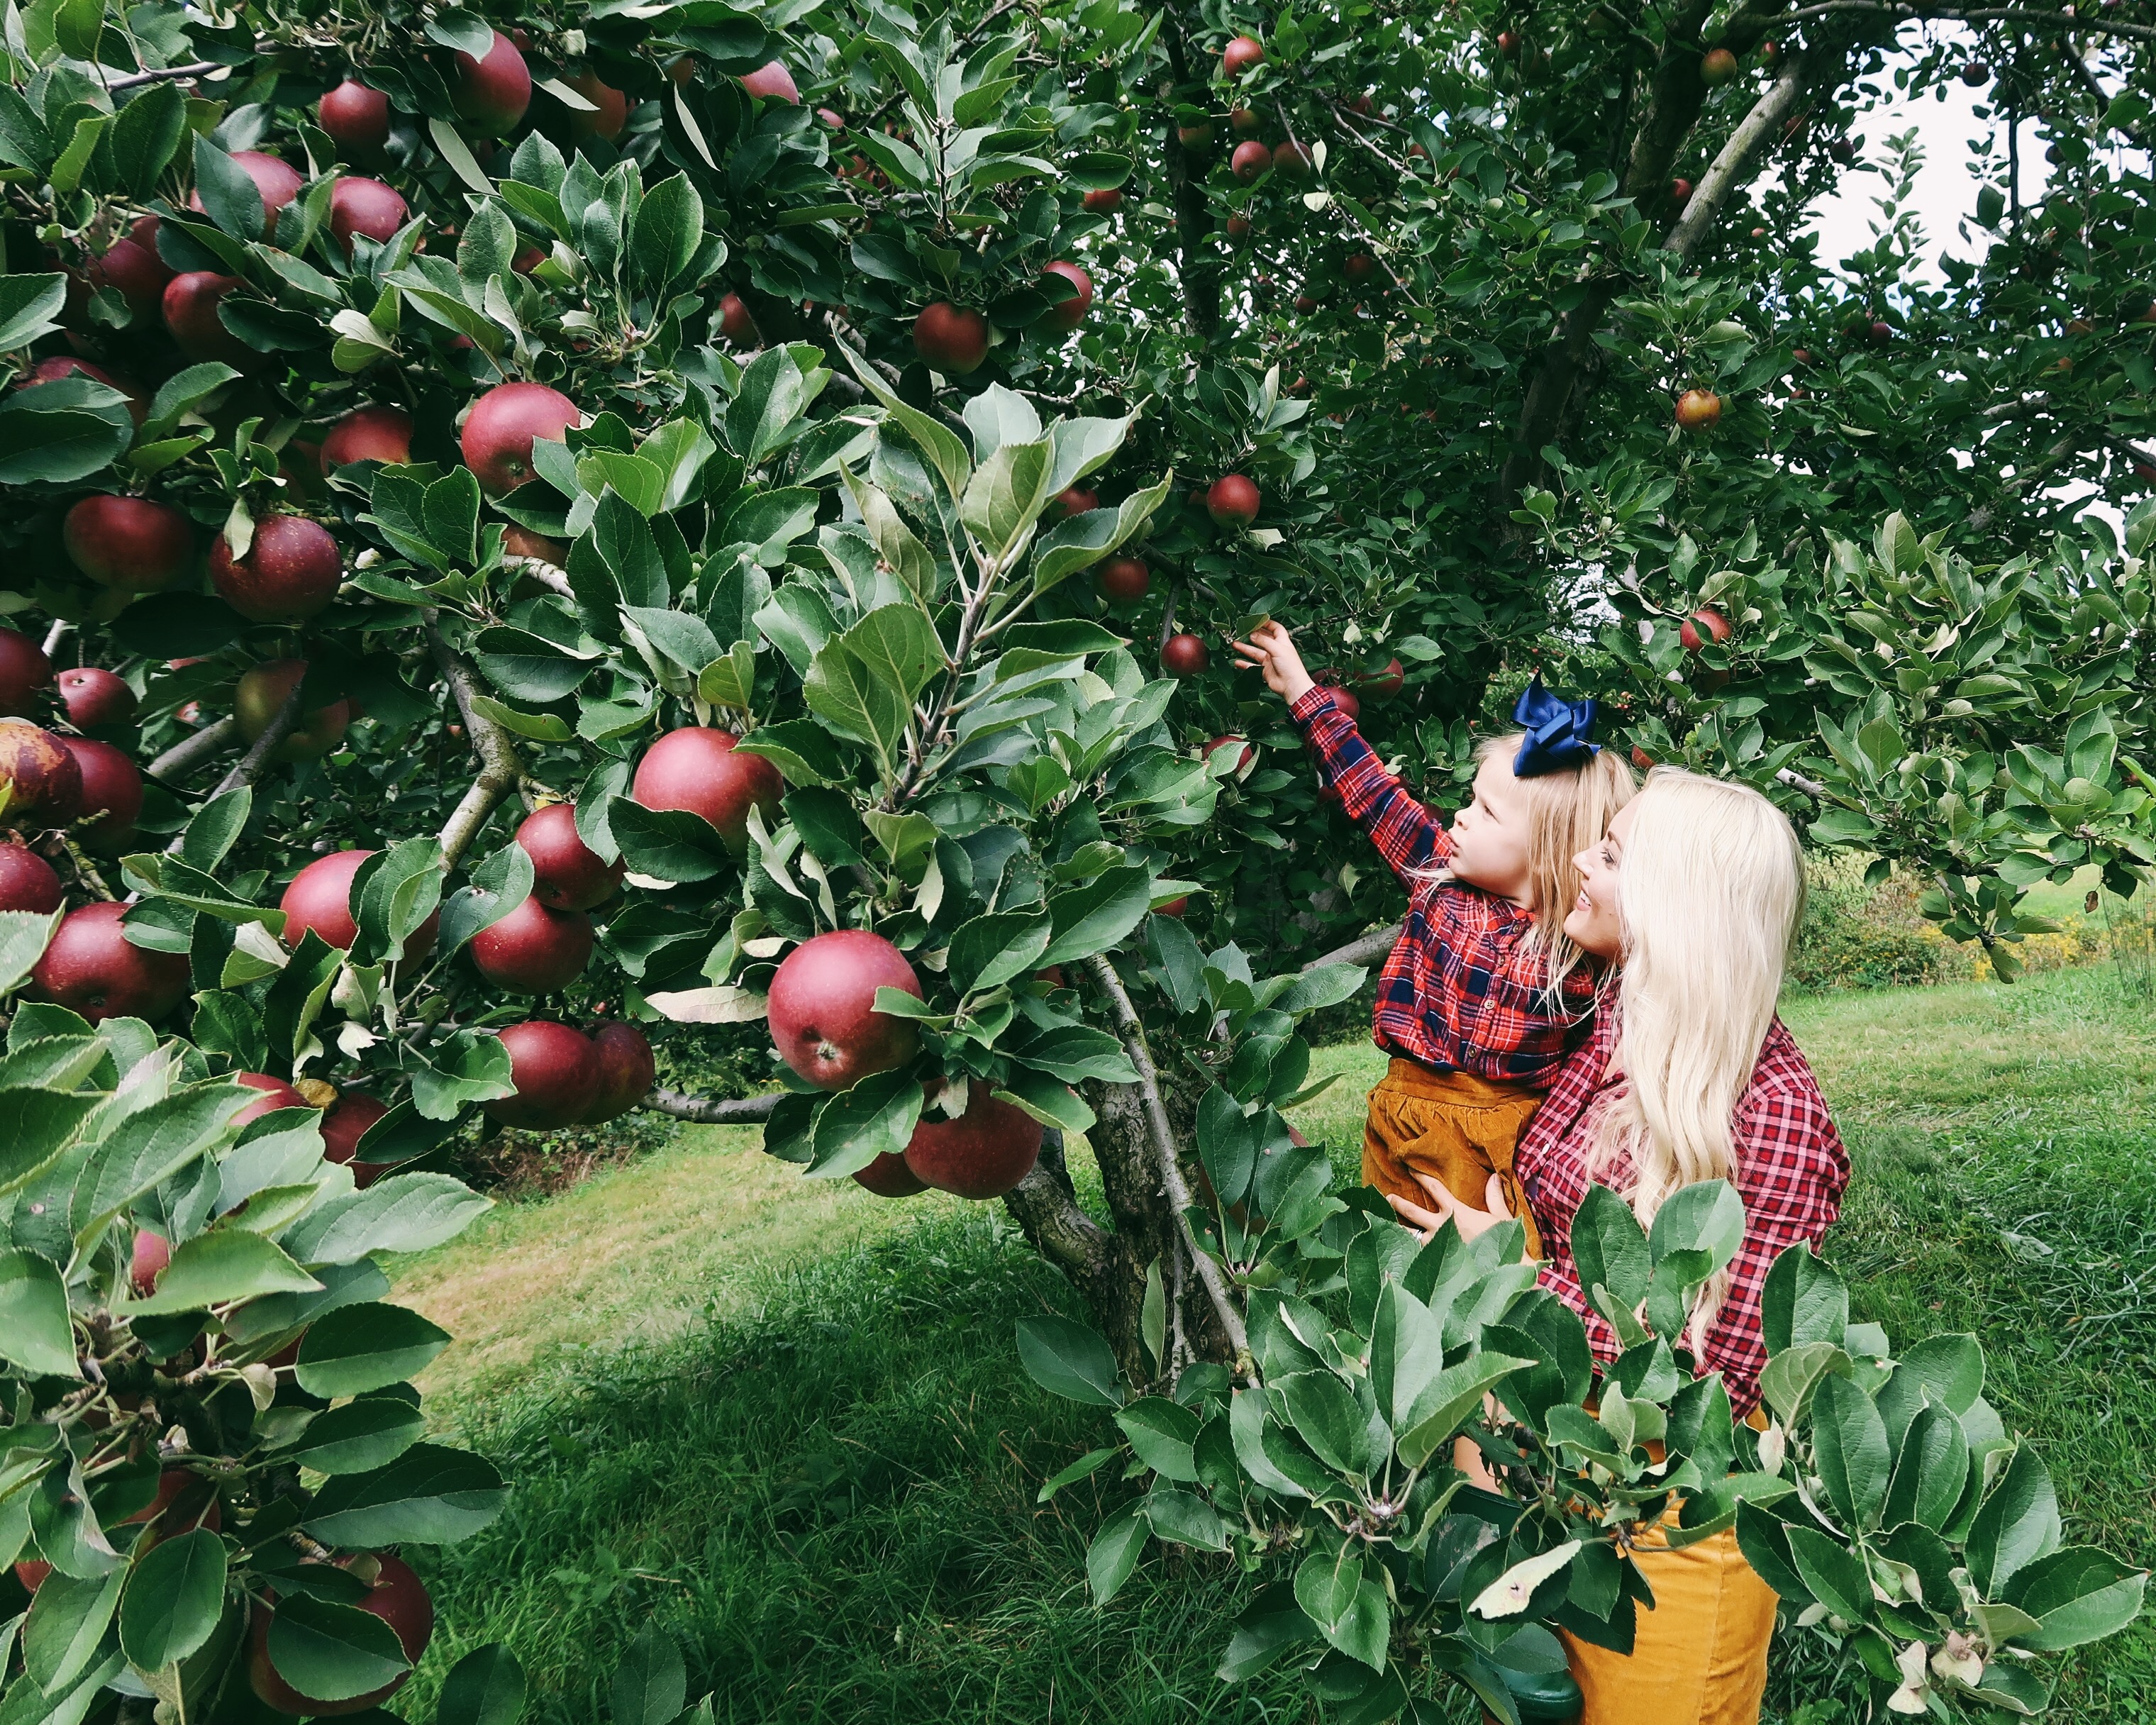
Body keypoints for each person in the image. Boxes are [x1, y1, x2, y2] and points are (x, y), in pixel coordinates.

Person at [1388, 767, 1852, 1725]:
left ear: (1675, 906)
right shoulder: (1616, 1031)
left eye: (1612, 852)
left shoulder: (1768, 1118)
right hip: (1564, 1470)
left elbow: (1707, 1370)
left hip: (1677, 1514)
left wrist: (1506, 1269)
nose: (1582, 863)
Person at [1232, 621, 1634, 1255]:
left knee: (1483, 1275)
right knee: (1394, 1260)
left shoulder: (1578, 951)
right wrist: (1302, 690)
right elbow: (1372, 794)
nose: (1462, 816)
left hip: (1501, 1138)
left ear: (1548, 851)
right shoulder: (1438, 878)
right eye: (1471, 801)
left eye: (1487, 812)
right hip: (1402, 1109)